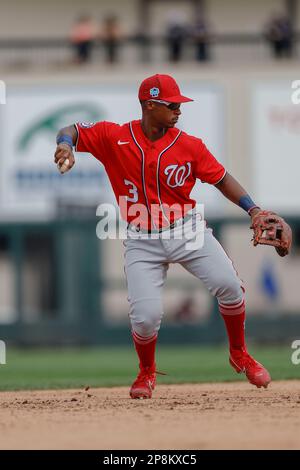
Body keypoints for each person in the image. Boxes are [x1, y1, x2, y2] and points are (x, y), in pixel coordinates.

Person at [54, 74, 288, 399]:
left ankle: (240, 354)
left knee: (230, 287)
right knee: (146, 317)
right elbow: (72, 130)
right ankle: (146, 372)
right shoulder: (114, 136)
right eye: (172, 105)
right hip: (141, 236)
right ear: (150, 105)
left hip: (187, 229)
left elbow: (221, 179)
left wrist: (253, 209)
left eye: (179, 105)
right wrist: (65, 145)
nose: (179, 111)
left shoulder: (189, 145)